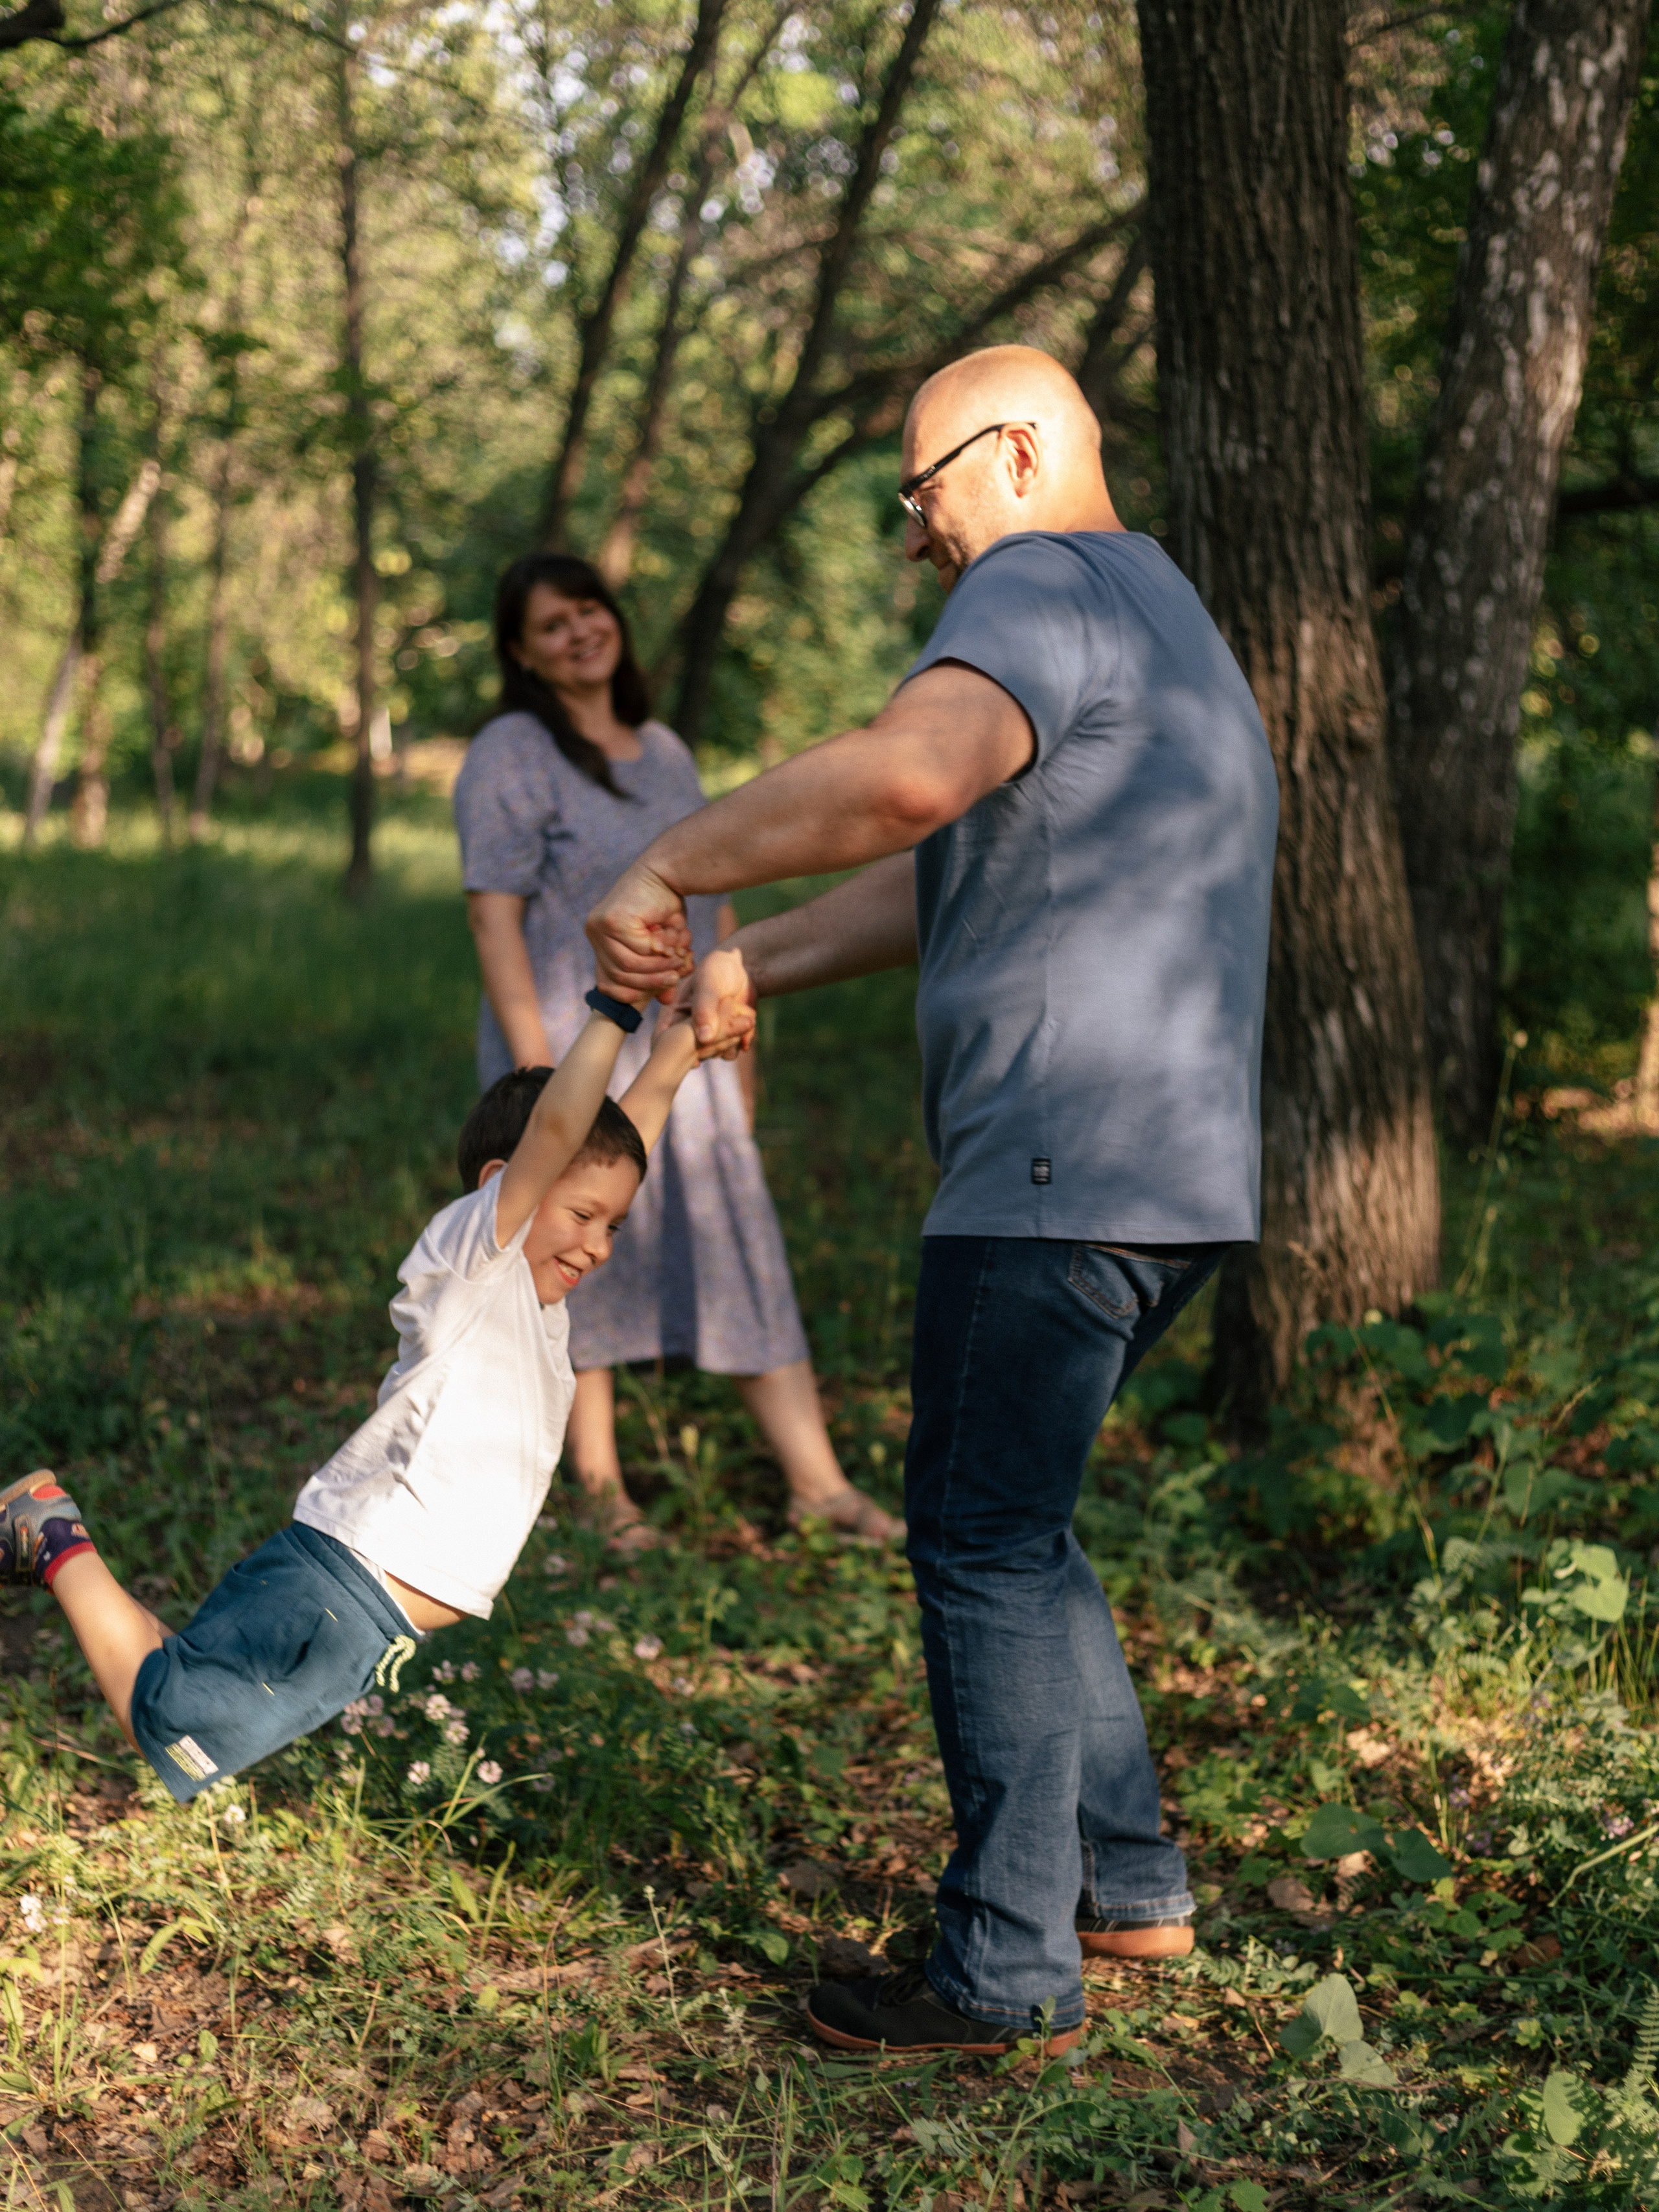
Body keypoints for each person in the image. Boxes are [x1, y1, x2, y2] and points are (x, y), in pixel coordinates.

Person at [586, 345, 1279, 2056]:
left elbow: (908, 776)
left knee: (973, 1537)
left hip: (1052, 1163)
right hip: (1176, 1176)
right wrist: (760, 962)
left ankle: (1001, 1965)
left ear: (1020, 447)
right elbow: (954, 858)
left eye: (924, 494)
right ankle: (1126, 1884)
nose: (921, 542)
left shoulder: (1038, 577)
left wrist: (673, 858)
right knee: (1023, 1531)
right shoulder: (1161, 610)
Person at [0, 988, 745, 1800]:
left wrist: (674, 1057)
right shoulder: (476, 1265)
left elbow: (606, 1146)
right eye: (582, 1216)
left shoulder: (531, 1305)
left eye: (614, 1225)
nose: (598, 1245)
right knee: (170, 1721)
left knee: (184, 1696)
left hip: (363, 1613)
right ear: (506, 1185)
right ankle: (50, 1533)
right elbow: (562, 1134)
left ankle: (51, 1533)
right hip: (342, 1584)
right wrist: (613, 1009)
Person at [453, 553, 899, 1550]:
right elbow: (495, 922)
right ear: (522, 652)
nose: (579, 632)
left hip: (683, 1044)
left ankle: (817, 1485)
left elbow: (719, 892)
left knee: (742, 1242)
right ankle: (603, 1491)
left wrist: (740, 1052)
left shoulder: (662, 750)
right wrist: (534, 1084)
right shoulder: (510, 752)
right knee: (579, 1253)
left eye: (590, 611)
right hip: (573, 1051)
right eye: (552, 624)